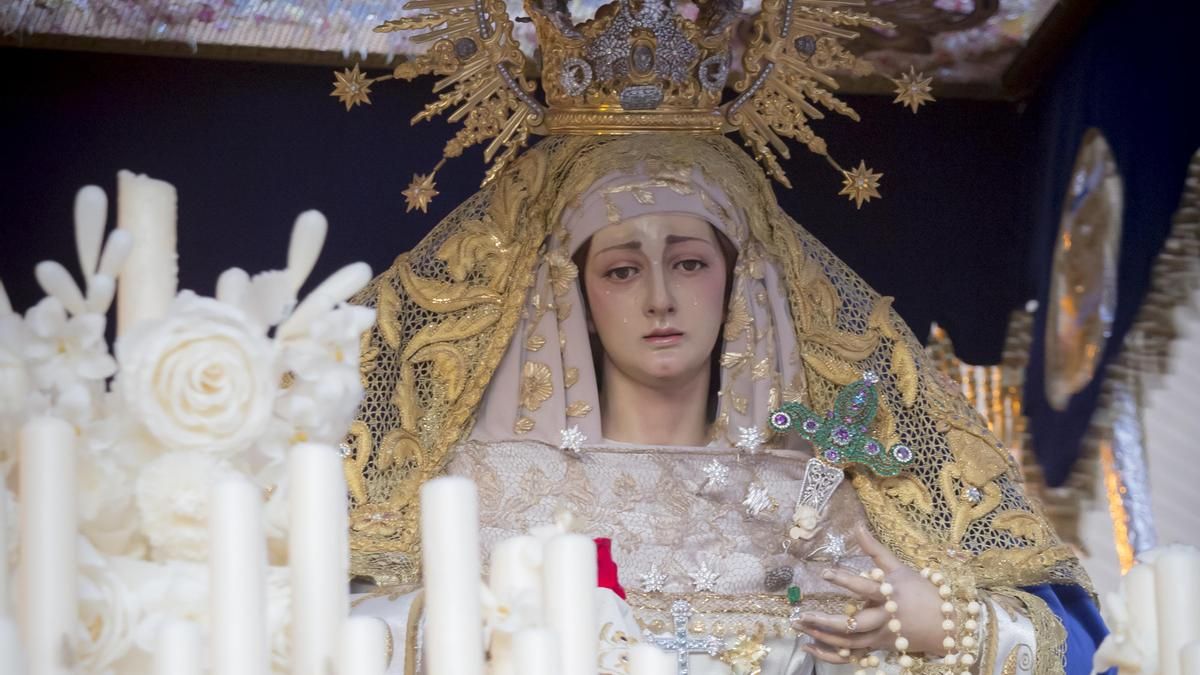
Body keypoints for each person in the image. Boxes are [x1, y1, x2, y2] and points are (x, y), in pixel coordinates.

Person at [345, 134, 1108, 674]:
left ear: (737, 281)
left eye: (689, 261)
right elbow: (330, 631)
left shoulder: (823, 496)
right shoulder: (478, 490)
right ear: (571, 296)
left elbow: (1078, 651)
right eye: (619, 269)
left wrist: (951, 627)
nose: (659, 298)